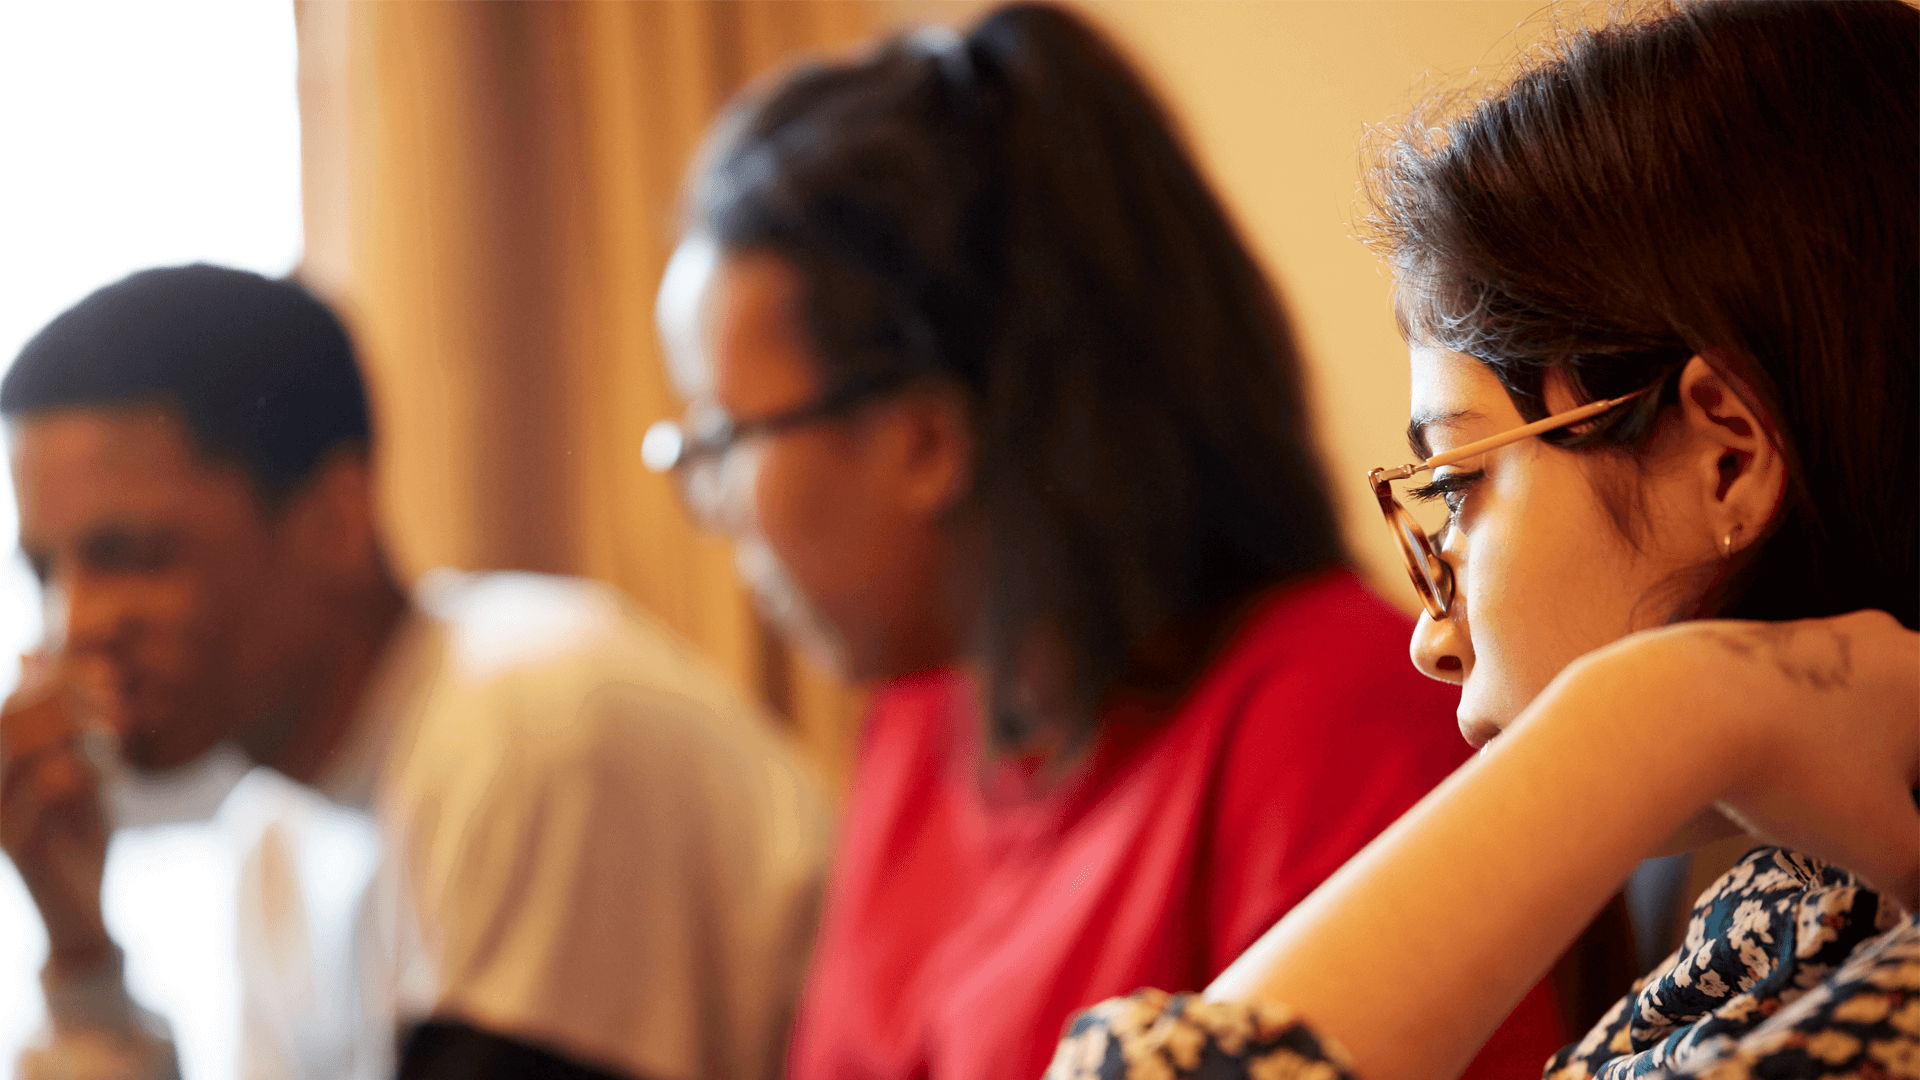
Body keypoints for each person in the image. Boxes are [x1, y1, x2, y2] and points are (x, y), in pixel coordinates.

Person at [644, 6, 1568, 1079]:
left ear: (927, 440)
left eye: (719, 436)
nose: (711, 505)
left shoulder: (1337, 726)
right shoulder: (924, 721)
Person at [1047, 2, 1920, 1077]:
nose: (1431, 644)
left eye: (1458, 487)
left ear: (1726, 459)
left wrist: (1661, 708)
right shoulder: (1797, 918)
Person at [0, 265, 832, 1080]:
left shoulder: (523, 714)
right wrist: (80, 951)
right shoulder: (276, 842)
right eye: (45, 572)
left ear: (336, 517)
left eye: (132, 555)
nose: (74, 625)